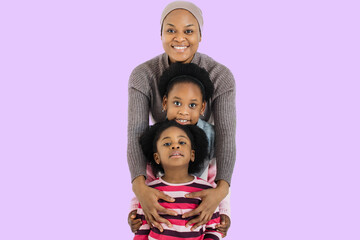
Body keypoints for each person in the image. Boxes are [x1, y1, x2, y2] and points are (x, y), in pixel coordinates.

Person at [128, 0, 236, 233]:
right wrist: (140, 195)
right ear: (161, 34)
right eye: (171, 30)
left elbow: (225, 140)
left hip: (204, 166)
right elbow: (136, 136)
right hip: (162, 165)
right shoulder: (143, 75)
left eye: (188, 31)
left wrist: (220, 197)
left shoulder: (220, 76)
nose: (179, 38)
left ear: (200, 35)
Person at [129, 63, 231, 236]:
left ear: (202, 108)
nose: (183, 112)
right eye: (177, 103)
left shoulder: (210, 137)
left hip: (197, 220)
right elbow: (146, 182)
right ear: (165, 102)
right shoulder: (158, 136)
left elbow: (217, 182)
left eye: (192, 105)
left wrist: (225, 213)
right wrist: (134, 210)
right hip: (163, 223)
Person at [133, 120, 222, 240]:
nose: (175, 146)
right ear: (156, 157)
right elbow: (142, 231)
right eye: (167, 144)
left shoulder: (206, 191)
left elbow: (213, 229)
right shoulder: (149, 192)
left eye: (182, 142)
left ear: (192, 155)